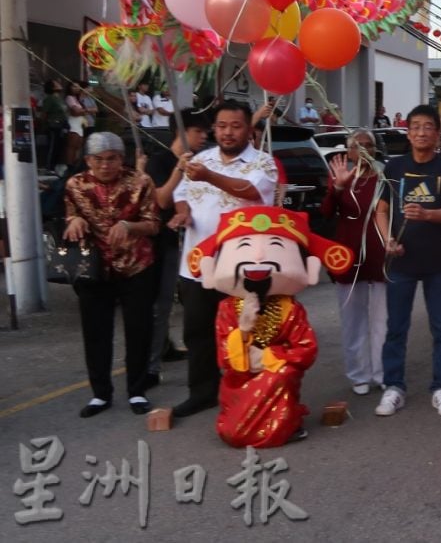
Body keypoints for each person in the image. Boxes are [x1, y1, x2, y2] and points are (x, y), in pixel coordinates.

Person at [193, 206, 352, 447]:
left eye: (276, 246)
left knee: (283, 373)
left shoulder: (291, 309)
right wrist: (243, 330)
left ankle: (285, 423)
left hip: (278, 376)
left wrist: (268, 356)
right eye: (244, 245)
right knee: (233, 433)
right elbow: (225, 359)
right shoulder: (227, 308)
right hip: (240, 380)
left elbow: (306, 349)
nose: (258, 257)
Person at [170, 101, 278, 419]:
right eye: (221, 126)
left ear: (248, 129)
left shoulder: (263, 162)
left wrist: (209, 175)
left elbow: (248, 191)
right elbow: (181, 196)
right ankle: (202, 392)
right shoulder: (198, 160)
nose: (228, 132)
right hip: (197, 265)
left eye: (235, 126)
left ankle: (253, 391)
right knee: (198, 332)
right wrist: (183, 215)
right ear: (214, 129)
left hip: (243, 268)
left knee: (250, 330)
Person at [373, 105, 441, 417]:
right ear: (408, 132)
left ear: (437, 134)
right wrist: (388, 239)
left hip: (439, 260)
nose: (422, 132)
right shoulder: (394, 167)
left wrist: (427, 214)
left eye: (428, 127)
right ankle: (393, 387)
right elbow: (381, 210)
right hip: (401, 261)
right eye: (416, 127)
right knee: (396, 327)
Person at [63, 132, 161, 417]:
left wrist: (129, 227)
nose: (105, 165)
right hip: (94, 267)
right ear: (88, 160)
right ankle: (100, 394)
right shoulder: (75, 184)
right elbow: (69, 215)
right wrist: (75, 220)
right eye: (98, 160)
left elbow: (154, 224)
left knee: (139, 329)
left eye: (112, 159)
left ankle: (137, 391)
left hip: (136, 264)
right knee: (95, 331)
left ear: (122, 159)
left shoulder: (140, 182)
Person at [143, 108, 209, 387]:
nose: (204, 137)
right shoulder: (158, 162)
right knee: (159, 304)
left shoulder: (205, 163)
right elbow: (162, 200)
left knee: (173, 302)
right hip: (160, 242)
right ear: (181, 133)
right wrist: (178, 171)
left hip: (194, 242)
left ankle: (166, 348)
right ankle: (150, 366)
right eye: (198, 131)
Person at [323, 130, 388, 396]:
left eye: (368, 145)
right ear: (348, 151)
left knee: (382, 320)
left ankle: (383, 372)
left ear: (375, 150)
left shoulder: (385, 177)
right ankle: (358, 374)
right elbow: (325, 212)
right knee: (352, 320)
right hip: (348, 257)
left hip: (380, 255)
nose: (362, 149)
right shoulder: (340, 175)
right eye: (356, 145)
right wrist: (337, 187)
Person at [40, 79, 68, 169]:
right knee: (52, 146)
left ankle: (55, 166)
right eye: (56, 83)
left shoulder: (59, 99)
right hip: (53, 125)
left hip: (62, 125)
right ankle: (49, 166)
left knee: (58, 147)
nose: (60, 84)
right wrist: (44, 125)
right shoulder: (49, 99)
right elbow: (44, 114)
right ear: (52, 87)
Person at [63, 83, 87, 166]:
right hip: (73, 123)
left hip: (79, 124)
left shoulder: (77, 99)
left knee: (78, 146)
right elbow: (76, 111)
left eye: (78, 86)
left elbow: (81, 111)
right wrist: (88, 110)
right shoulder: (69, 98)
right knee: (72, 146)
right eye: (74, 86)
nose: (77, 88)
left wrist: (83, 111)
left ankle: (75, 163)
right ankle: (69, 164)